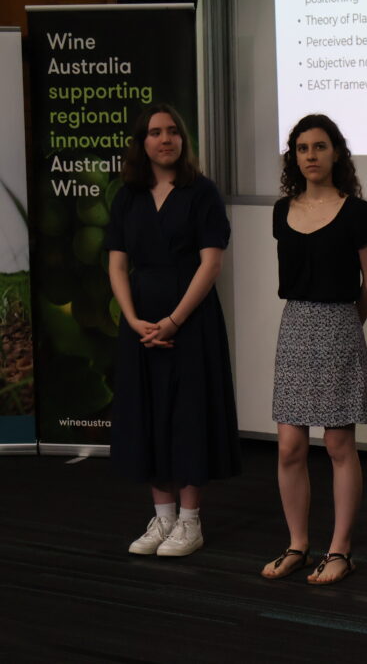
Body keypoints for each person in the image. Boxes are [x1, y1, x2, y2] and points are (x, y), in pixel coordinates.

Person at [105, 103, 240, 557]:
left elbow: (211, 263)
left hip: (191, 320)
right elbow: (117, 264)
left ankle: (189, 522)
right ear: (142, 142)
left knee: (188, 414)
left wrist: (175, 320)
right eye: (155, 132)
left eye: (172, 131)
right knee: (149, 412)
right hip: (141, 321)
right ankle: (162, 518)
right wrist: (131, 318)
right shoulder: (127, 196)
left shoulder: (202, 192)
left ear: (182, 139)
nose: (165, 139)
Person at [260, 114, 367, 585]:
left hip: (339, 326)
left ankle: (340, 550)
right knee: (290, 446)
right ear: (294, 156)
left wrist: (348, 328)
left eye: (320, 146)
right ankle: (297, 544)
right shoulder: (280, 210)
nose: (311, 155)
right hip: (294, 326)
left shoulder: (358, 212)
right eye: (302, 148)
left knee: (337, 444)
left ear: (336, 153)